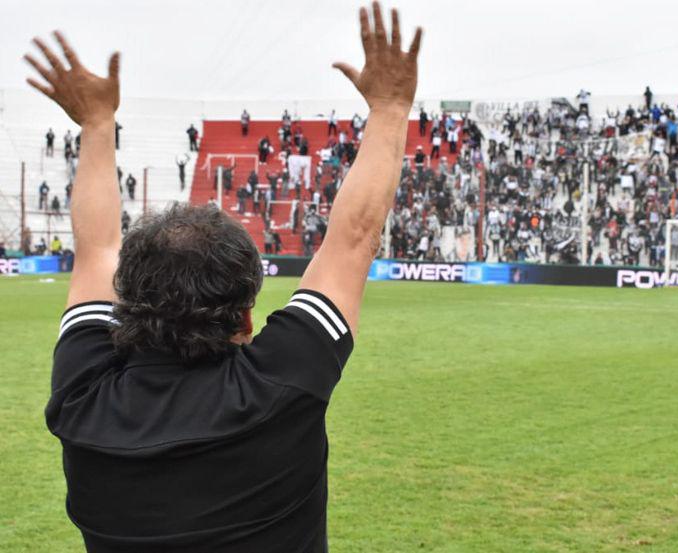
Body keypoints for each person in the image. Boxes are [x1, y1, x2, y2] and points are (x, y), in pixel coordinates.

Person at [29, 15, 420, 551]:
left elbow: (96, 249)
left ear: (127, 302)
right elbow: (354, 237)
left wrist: (96, 125)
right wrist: (393, 108)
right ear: (245, 317)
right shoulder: (279, 386)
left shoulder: (82, 399)